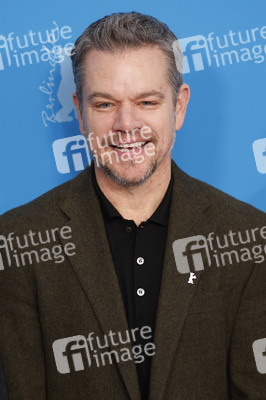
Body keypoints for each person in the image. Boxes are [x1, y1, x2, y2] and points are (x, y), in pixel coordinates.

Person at [0, 11, 266, 400]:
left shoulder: (248, 237)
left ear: (178, 107)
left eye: (146, 101)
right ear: (79, 111)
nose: (127, 124)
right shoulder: (18, 239)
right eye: (105, 104)